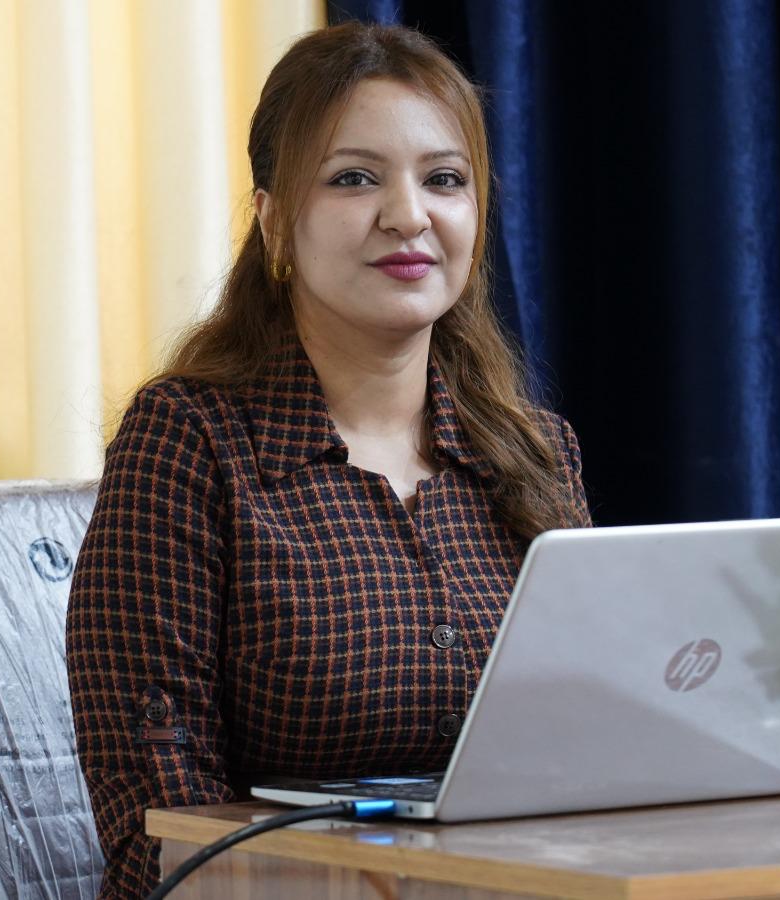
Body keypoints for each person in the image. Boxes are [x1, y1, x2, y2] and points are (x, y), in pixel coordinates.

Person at [65, 21, 591, 898]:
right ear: (274, 219)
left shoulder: (536, 452)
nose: (409, 216)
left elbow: (591, 758)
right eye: (354, 178)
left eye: (445, 180)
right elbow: (161, 831)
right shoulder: (188, 441)